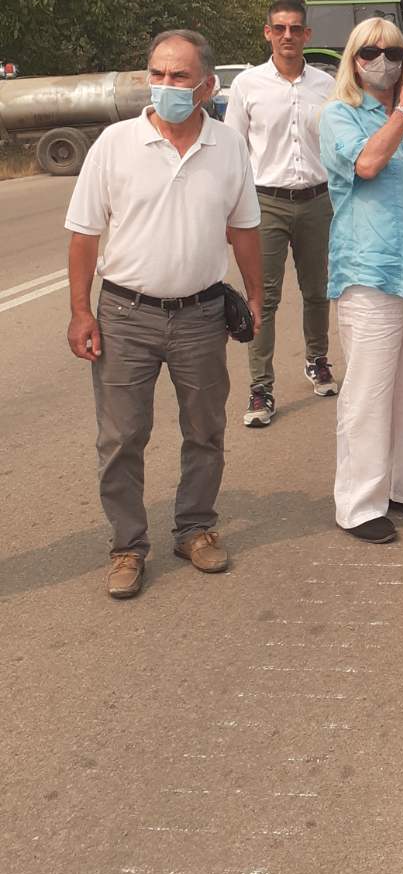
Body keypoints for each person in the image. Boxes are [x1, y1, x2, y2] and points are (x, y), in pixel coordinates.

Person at [64, 29, 263, 599]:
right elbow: (83, 235)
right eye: (158, 73)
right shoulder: (115, 143)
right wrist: (82, 312)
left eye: (179, 76)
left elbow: (244, 228)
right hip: (125, 314)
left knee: (205, 429)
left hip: (202, 314)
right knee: (122, 436)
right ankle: (127, 546)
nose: (166, 86)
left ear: (207, 84)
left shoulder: (228, 146)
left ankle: (195, 529)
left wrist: (254, 296)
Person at [319, 19, 403, 544]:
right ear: (353, 59)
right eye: (371, 51)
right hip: (372, 270)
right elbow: (369, 164)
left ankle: (400, 482)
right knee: (369, 391)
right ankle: (358, 503)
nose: (383, 60)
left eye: (393, 51)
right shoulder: (339, 115)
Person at [224, 0, 337, 428]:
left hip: (316, 200)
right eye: (279, 28)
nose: (287, 36)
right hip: (264, 203)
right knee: (262, 297)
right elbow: (234, 150)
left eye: (296, 29)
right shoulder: (248, 85)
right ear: (267, 33)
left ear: (306, 35)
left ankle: (317, 360)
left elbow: (334, 145)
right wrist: (230, 213)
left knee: (317, 289)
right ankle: (260, 387)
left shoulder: (325, 86)